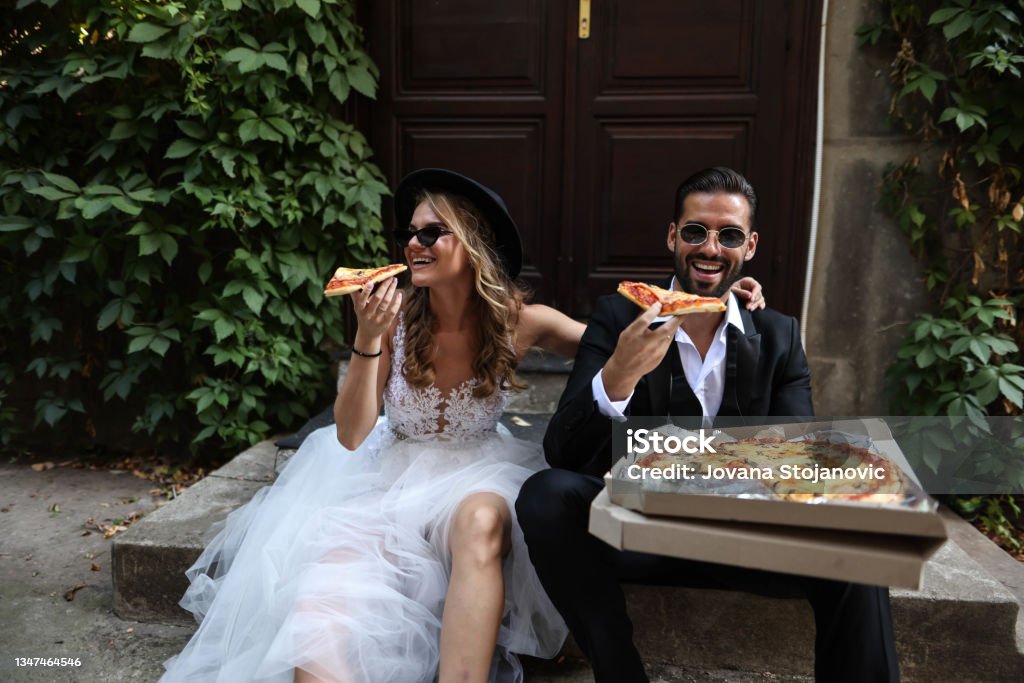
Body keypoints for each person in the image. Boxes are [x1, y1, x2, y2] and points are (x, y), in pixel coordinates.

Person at [161, 168, 764, 683]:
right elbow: (350, 434)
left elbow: (632, 345)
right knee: (329, 578)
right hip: (388, 475)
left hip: (480, 473)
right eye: (409, 234)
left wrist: (719, 301)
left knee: (481, 519)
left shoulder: (522, 320)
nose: (413, 245)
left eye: (431, 232)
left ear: (470, 243)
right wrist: (367, 340)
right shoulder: (388, 318)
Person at [516, 167, 900, 683]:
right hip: (641, 537)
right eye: (696, 231)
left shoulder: (779, 334)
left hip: (746, 542)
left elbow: (794, 457)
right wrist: (620, 374)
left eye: (730, 235)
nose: (711, 248)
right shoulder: (618, 318)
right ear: (673, 235)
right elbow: (563, 450)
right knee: (546, 494)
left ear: (751, 245)